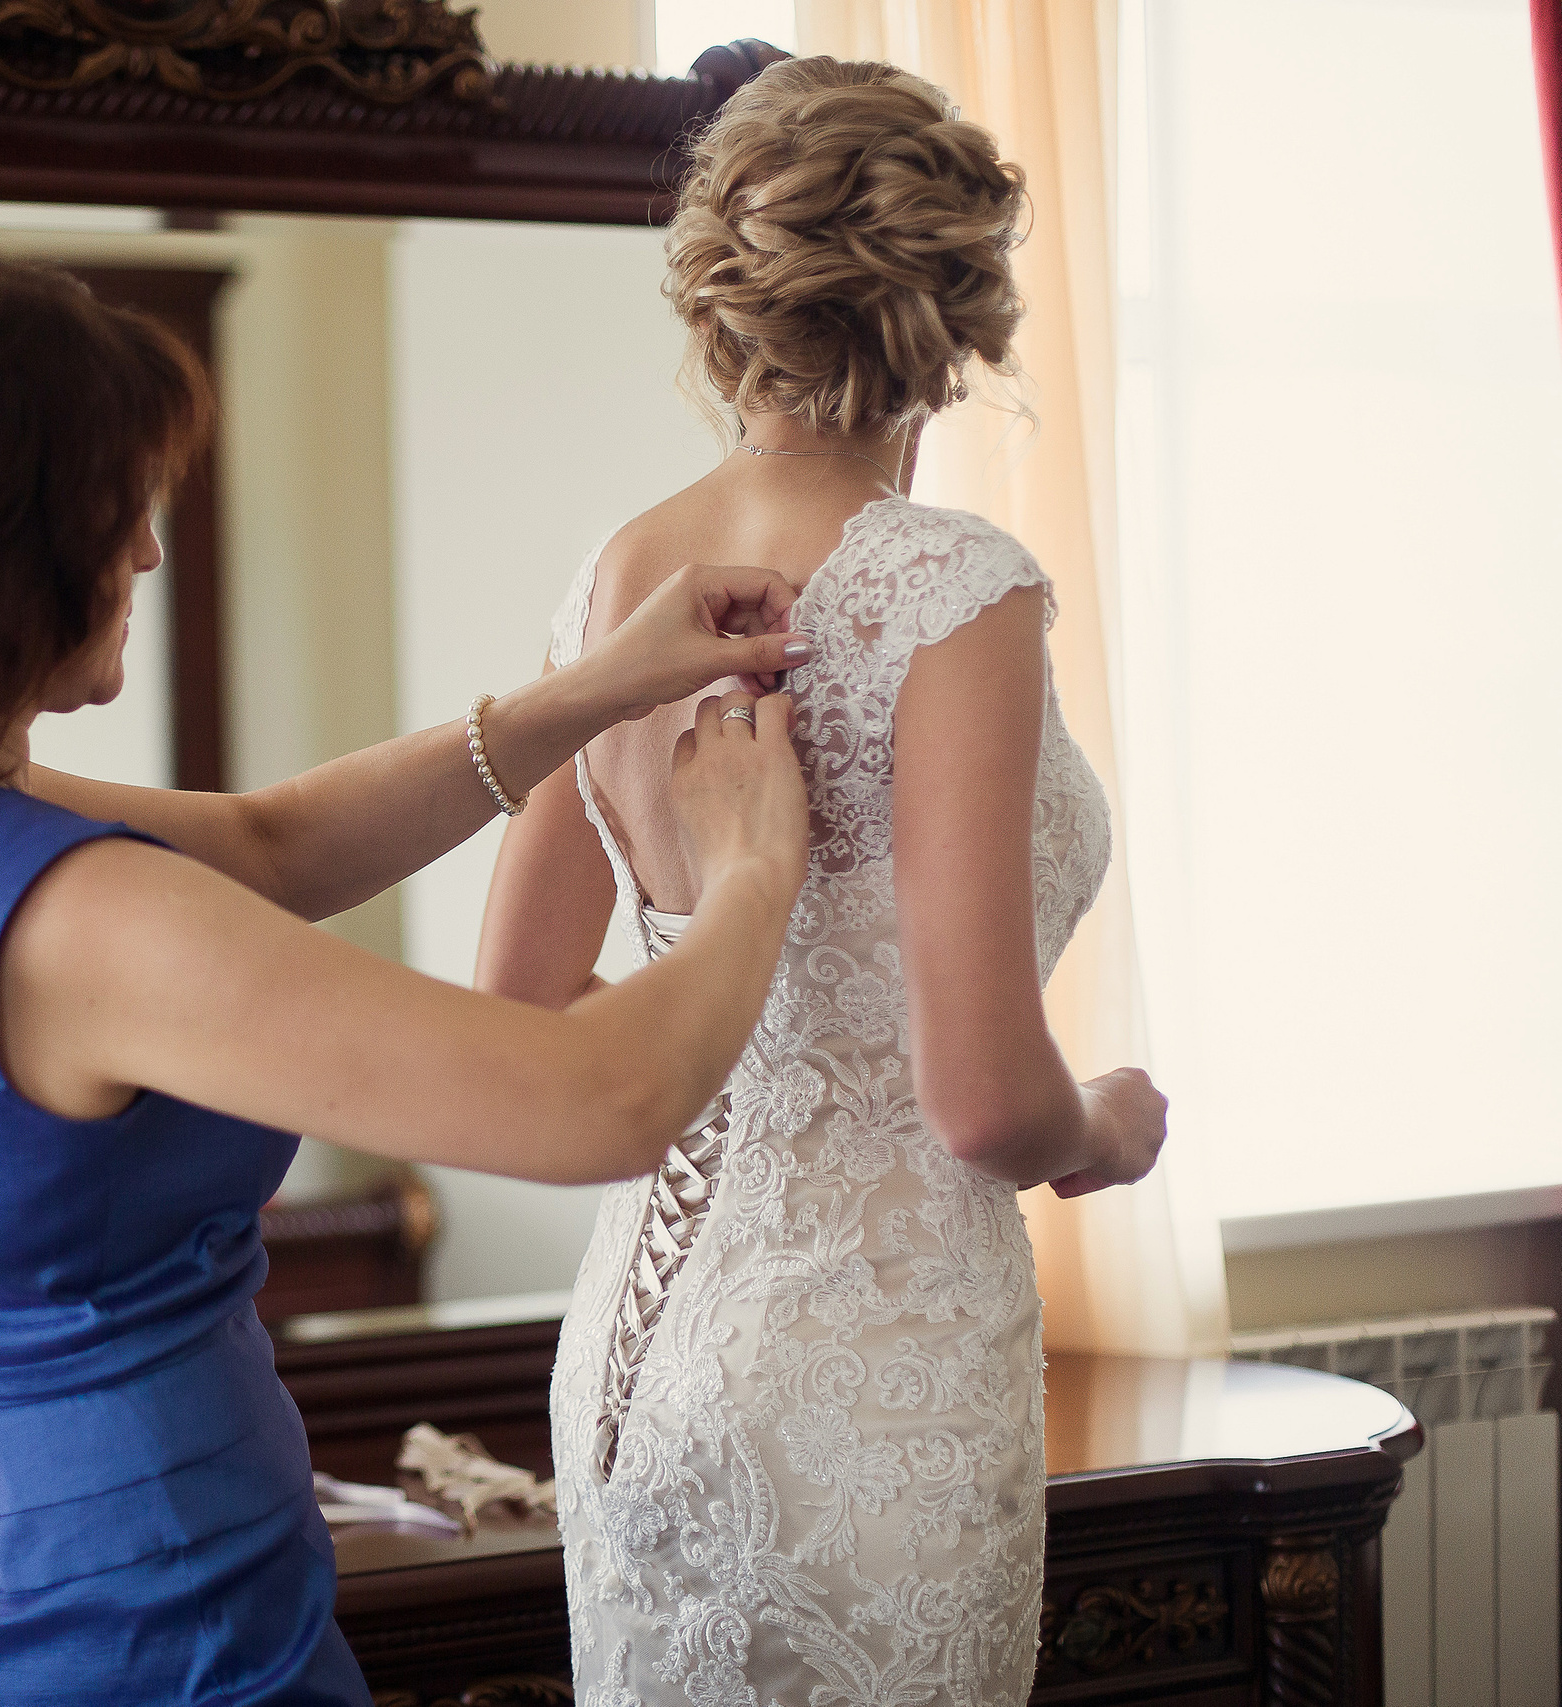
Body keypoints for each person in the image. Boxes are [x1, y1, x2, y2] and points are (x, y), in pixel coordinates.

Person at [0, 243, 815, 1707]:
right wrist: (753, 866)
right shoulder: (86, 929)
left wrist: (594, 688)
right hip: (147, 1630)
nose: (150, 553)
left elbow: (271, 843)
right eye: (120, 506)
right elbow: (600, 1101)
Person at [474, 60, 1169, 1704]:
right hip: (867, 1381)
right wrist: (1108, 1124)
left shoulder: (618, 576)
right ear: (960, 309)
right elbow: (981, 1102)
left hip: (637, 1364)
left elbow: (519, 1004)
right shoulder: (947, 588)